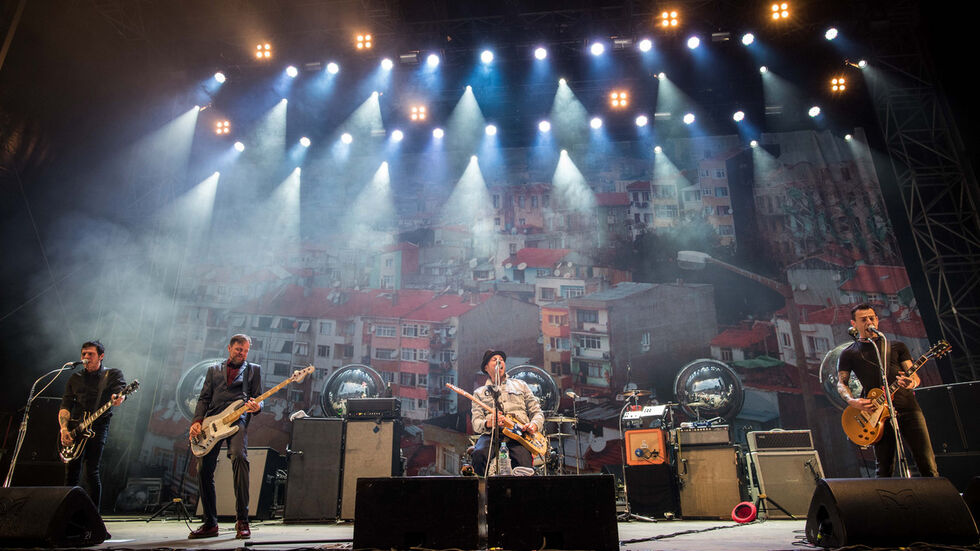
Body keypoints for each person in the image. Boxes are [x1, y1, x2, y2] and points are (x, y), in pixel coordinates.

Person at [837, 303, 938, 477]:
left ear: (877, 320)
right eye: (863, 319)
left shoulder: (897, 346)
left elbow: (914, 377)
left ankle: (937, 501)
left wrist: (911, 383)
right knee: (884, 467)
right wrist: (852, 401)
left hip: (908, 408)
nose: (869, 322)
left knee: (926, 461)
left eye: (871, 318)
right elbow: (841, 383)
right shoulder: (849, 353)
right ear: (854, 324)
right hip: (876, 414)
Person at [188, 334, 263, 539]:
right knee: (203, 468)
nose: (243, 353)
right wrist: (196, 421)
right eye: (239, 349)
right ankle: (210, 523)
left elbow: (257, 397)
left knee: (239, 457)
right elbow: (204, 398)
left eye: (246, 350)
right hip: (212, 422)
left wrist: (257, 407)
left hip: (237, 421)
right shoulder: (213, 370)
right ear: (229, 348)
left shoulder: (254, 370)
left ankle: (242, 520)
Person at [58, 340, 126, 509]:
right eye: (84, 354)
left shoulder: (112, 374)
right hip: (75, 428)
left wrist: (118, 398)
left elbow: (120, 392)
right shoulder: (75, 377)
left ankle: (93, 519)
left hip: (98, 427)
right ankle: (67, 515)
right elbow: (66, 405)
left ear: (101, 356)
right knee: (71, 473)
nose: (86, 357)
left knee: (91, 472)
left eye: (91, 354)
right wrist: (64, 429)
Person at [470, 349, 544, 475]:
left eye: (502, 360)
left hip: (519, 435)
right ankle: (484, 490)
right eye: (494, 360)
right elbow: (476, 423)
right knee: (479, 455)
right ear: (486, 367)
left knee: (524, 466)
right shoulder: (479, 393)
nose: (499, 361)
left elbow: (537, 412)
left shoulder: (521, 385)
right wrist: (488, 422)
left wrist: (534, 425)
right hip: (492, 435)